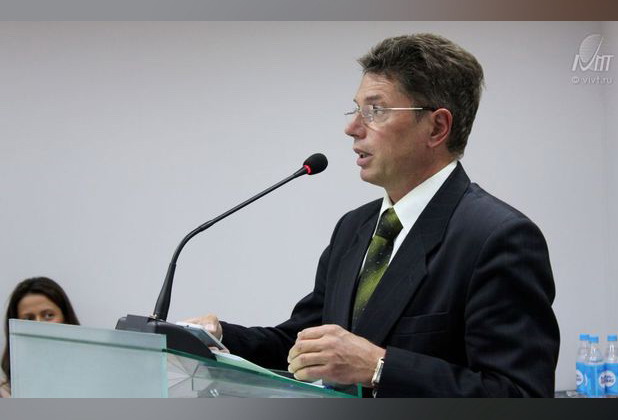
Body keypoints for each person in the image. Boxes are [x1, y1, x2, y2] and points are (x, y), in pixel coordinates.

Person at [187, 33, 560, 397]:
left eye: (375, 111)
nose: (351, 128)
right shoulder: (355, 227)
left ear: (437, 127)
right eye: (356, 109)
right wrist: (218, 338)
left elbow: (518, 393)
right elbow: (304, 343)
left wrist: (380, 367)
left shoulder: (497, 238)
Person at [1, 277, 80, 397]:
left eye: (48, 315)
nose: (38, 324)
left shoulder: (93, 371)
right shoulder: (6, 389)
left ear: (66, 319)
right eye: (28, 319)